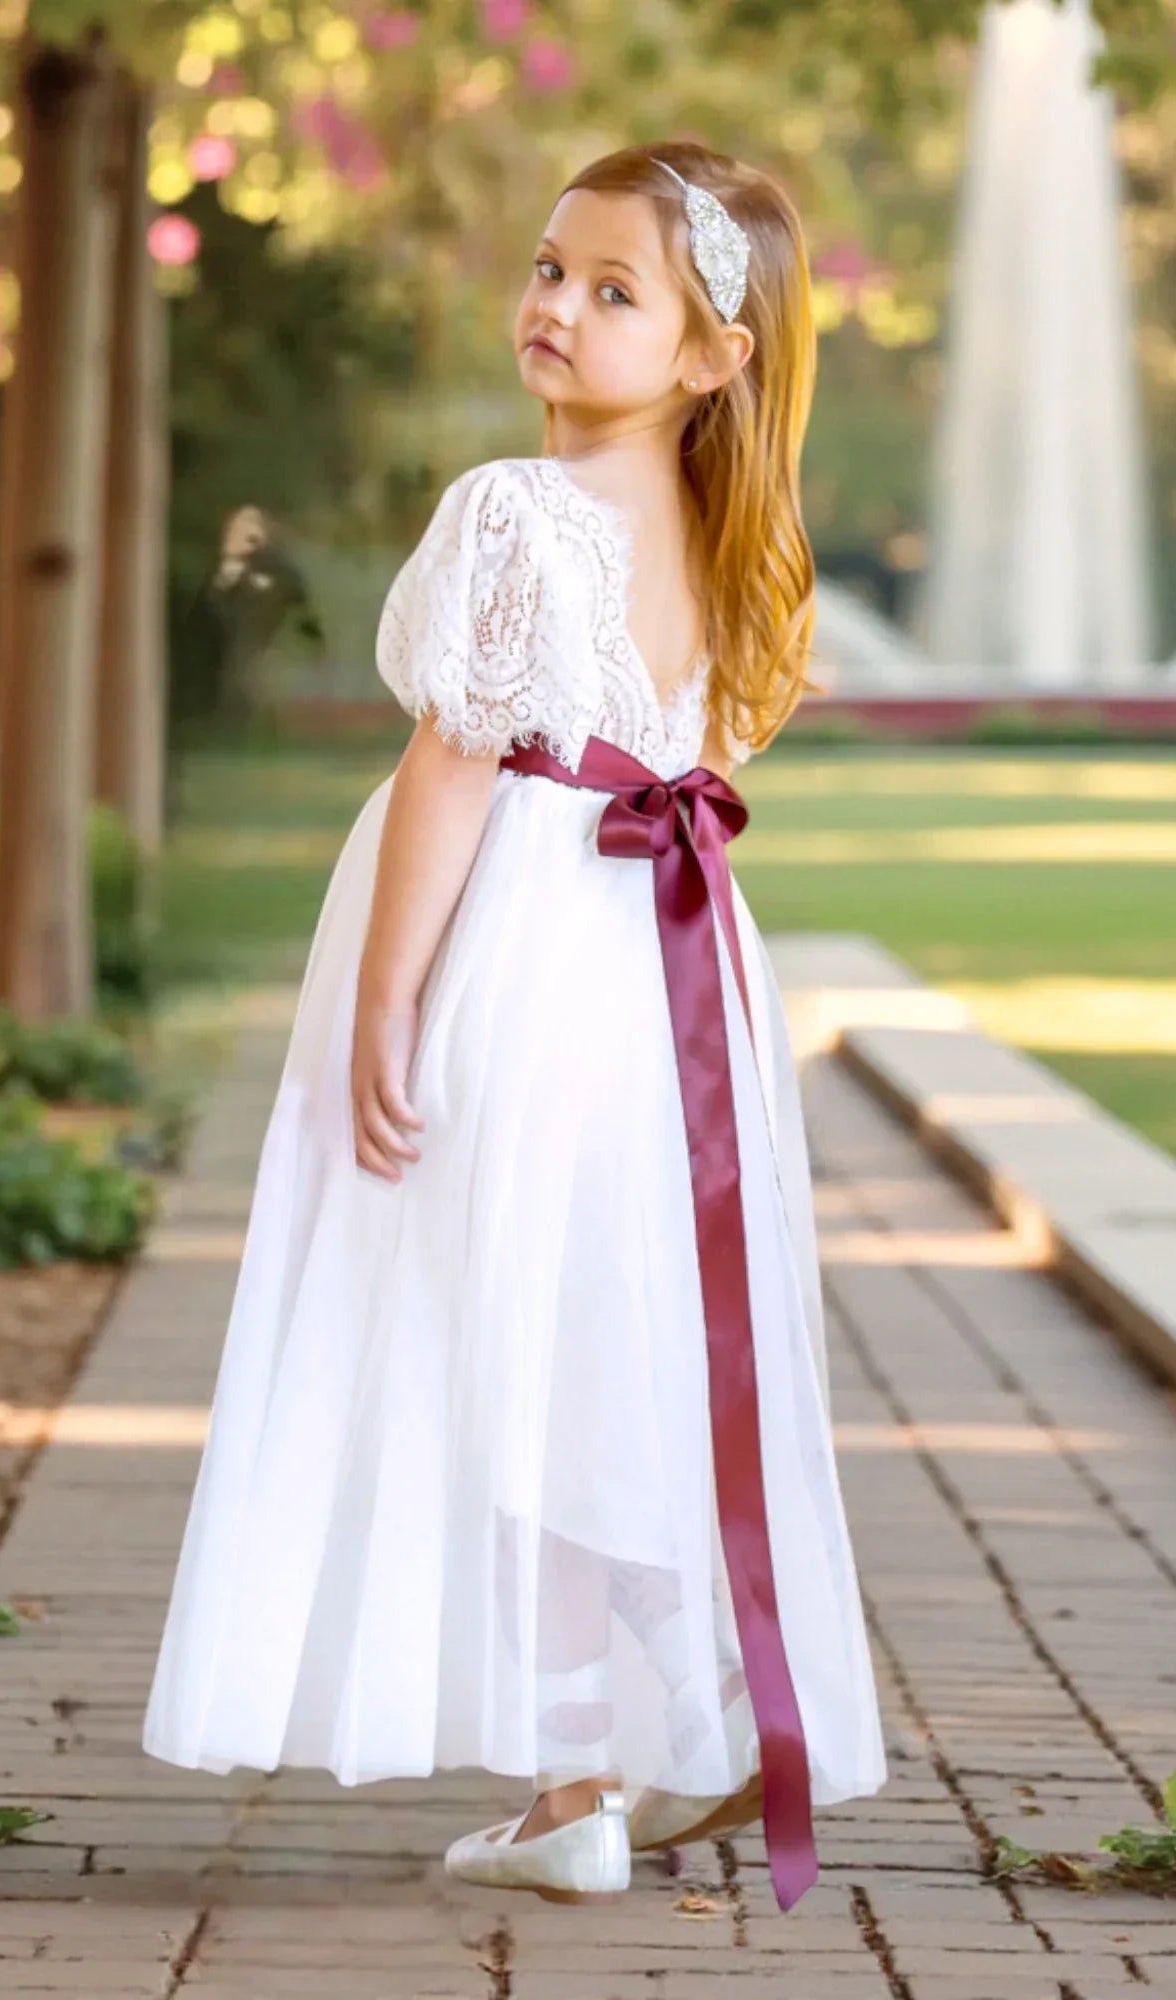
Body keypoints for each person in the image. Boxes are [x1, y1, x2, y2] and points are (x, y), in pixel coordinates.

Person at [142, 139, 888, 1912]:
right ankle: (613, 1754)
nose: (554, 305)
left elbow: (451, 768)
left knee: (488, 1327)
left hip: (529, 943)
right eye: (552, 267)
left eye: (613, 290)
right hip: (665, 965)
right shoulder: (730, 534)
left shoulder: (515, 509)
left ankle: (590, 1769)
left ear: (711, 353)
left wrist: (387, 999)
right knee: (603, 1324)